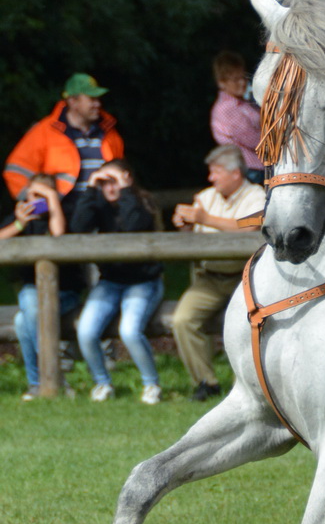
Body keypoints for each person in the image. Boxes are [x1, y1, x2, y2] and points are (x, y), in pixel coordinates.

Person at [171, 146, 266, 399]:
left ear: (235, 173)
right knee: (182, 320)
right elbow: (192, 240)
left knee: (248, 326)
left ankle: (246, 386)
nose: (211, 178)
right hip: (209, 278)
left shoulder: (257, 195)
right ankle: (206, 382)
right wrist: (186, 226)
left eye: (216, 172)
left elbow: (249, 228)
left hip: (245, 279)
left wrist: (204, 218)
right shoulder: (205, 197)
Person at [70, 161, 166, 404]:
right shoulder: (99, 204)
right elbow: (78, 227)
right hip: (110, 282)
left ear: (126, 179)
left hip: (144, 282)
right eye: (104, 183)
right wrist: (91, 189)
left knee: (129, 331)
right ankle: (102, 383)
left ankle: (151, 384)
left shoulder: (143, 202)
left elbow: (133, 227)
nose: (108, 187)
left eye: (113, 181)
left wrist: (125, 190)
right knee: (85, 330)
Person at [0, 178, 85, 399]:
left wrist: (53, 203)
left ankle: (46, 380)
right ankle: (41, 383)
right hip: (33, 291)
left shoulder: (65, 214)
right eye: (31, 195)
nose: (35, 201)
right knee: (22, 318)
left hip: (66, 293)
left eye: (42, 196)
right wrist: (19, 223)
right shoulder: (22, 219)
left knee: (28, 306)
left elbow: (57, 236)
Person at [4, 74, 124, 202]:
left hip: (102, 212)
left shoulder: (109, 133)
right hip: (64, 213)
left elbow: (120, 173)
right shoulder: (45, 131)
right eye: (92, 99)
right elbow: (15, 171)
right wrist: (40, 209)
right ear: (73, 102)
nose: (97, 104)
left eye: (98, 99)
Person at [209, 51, 263, 176]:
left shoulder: (244, 103)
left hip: (260, 167)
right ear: (222, 83)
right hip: (251, 170)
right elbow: (252, 139)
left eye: (243, 77)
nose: (242, 82)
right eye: (235, 79)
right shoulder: (227, 108)